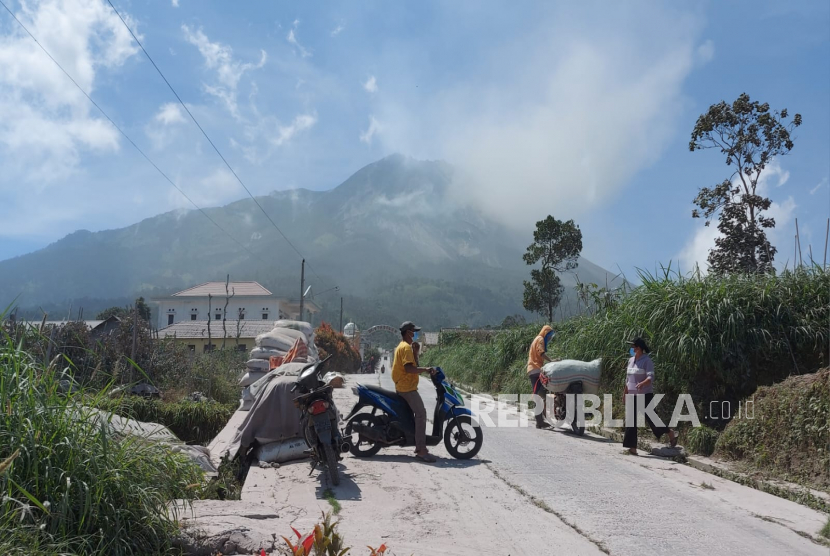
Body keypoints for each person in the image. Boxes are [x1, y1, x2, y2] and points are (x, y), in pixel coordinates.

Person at [622, 338, 678, 455]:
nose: (632, 348)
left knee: (652, 419)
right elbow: (628, 380)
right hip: (632, 394)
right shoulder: (631, 360)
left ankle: (669, 432)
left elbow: (650, 377)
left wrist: (642, 383)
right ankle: (632, 448)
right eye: (632, 347)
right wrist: (625, 394)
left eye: (634, 346)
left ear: (640, 348)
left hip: (644, 394)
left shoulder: (647, 361)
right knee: (631, 421)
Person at [392, 321, 437, 462]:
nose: (415, 333)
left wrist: (416, 353)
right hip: (407, 388)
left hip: (404, 386)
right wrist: (426, 369)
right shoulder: (405, 348)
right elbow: (409, 369)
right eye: (413, 331)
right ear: (407, 332)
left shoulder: (405, 347)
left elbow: (412, 364)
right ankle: (421, 449)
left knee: (416, 414)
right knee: (421, 413)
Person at [527, 325, 556, 429]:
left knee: (542, 395)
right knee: (539, 396)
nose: (549, 338)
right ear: (545, 333)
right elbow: (541, 352)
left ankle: (542, 420)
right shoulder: (540, 339)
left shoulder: (536, 339)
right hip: (535, 370)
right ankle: (539, 422)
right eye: (549, 335)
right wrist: (552, 361)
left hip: (534, 369)